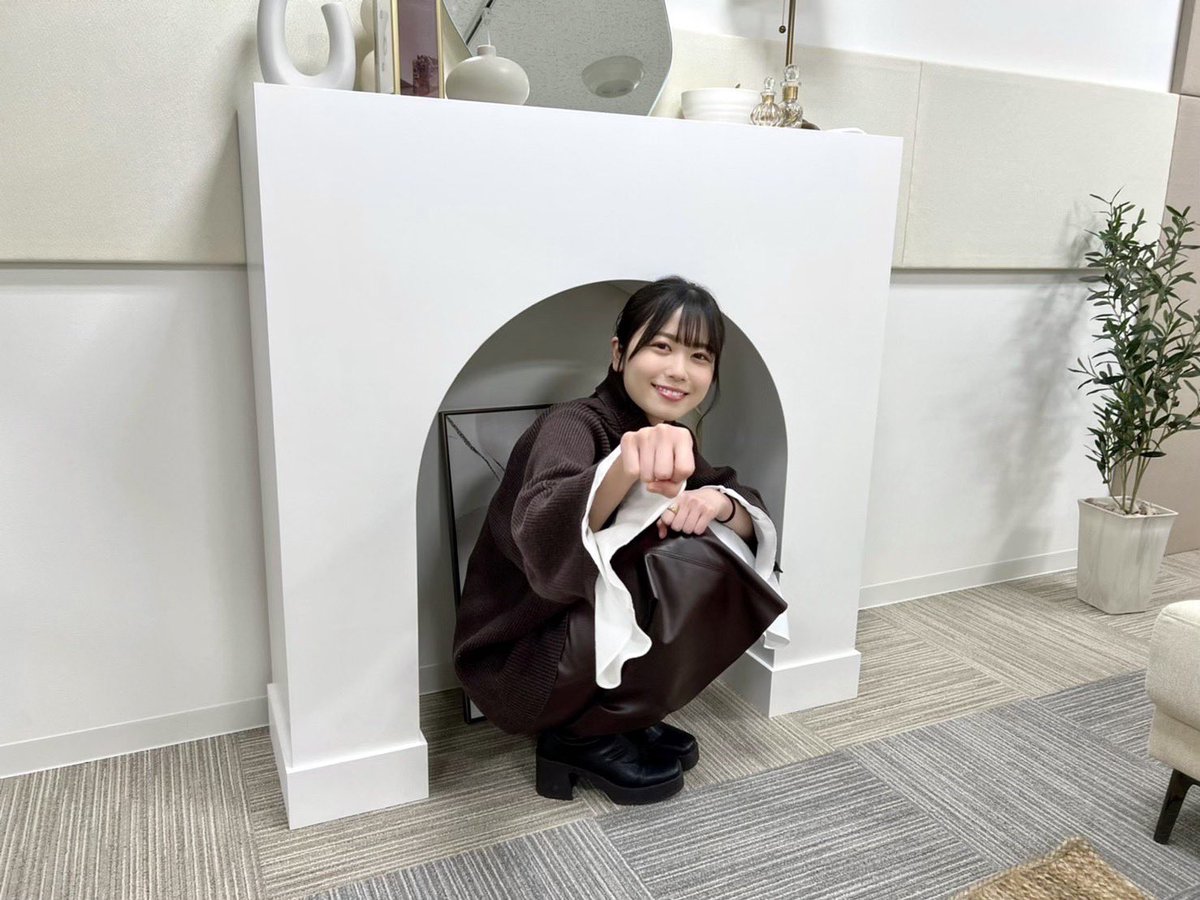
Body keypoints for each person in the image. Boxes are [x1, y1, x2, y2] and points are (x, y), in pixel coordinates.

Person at [452, 276, 786, 805]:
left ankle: (621, 714)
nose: (679, 370)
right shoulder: (572, 425)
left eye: (699, 356)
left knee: (713, 540)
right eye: (662, 347)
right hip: (522, 656)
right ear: (618, 353)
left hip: (572, 639)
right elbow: (543, 542)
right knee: (677, 554)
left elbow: (743, 504)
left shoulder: (671, 435)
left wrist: (717, 503)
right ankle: (577, 735)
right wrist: (623, 469)